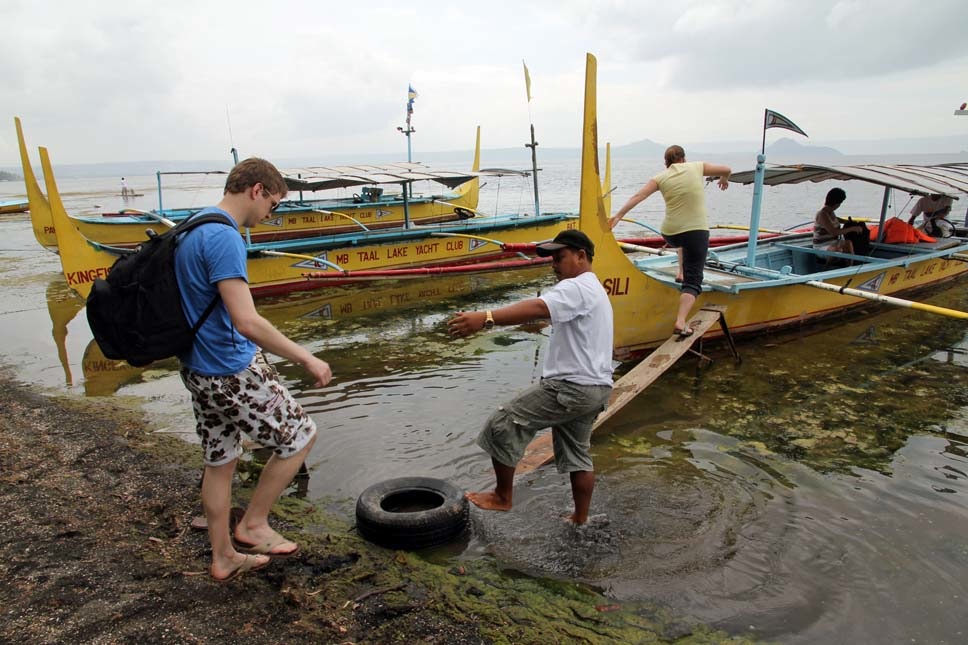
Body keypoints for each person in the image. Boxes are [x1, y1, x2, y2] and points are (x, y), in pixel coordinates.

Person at [174, 157, 332, 581]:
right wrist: (305, 356)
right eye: (274, 205)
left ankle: (222, 555)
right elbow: (246, 321)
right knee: (300, 436)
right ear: (256, 190)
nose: (270, 216)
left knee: (220, 458)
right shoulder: (225, 238)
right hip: (228, 369)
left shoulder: (192, 226)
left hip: (196, 367)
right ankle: (253, 525)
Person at [448, 230, 614, 525]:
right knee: (578, 455)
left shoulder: (578, 286)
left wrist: (485, 318)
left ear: (581, 256)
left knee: (502, 424)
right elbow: (546, 315)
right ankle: (580, 518)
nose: (554, 264)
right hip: (596, 388)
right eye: (551, 258)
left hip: (570, 388)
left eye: (559, 257)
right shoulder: (595, 290)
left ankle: (502, 496)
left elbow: (539, 307)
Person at [607, 145, 730, 337]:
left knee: (683, 245)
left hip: (670, 233)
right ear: (683, 159)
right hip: (695, 231)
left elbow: (639, 196)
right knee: (694, 279)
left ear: (667, 163)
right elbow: (726, 169)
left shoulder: (660, 177)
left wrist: (618, 216)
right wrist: (724, 179)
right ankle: (681, 321)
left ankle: (680, 271)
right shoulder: (696, 166)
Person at [813, 188, 865, 256]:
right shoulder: (822, 214)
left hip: (833, 242)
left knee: (848, 243)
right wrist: (853, 228)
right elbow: (834, 232)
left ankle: (850, 265)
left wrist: (848, 222)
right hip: (821, 245)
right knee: (835, 250)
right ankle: (826, 266)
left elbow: (836, 220)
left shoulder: (831, 212)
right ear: (837, 203)